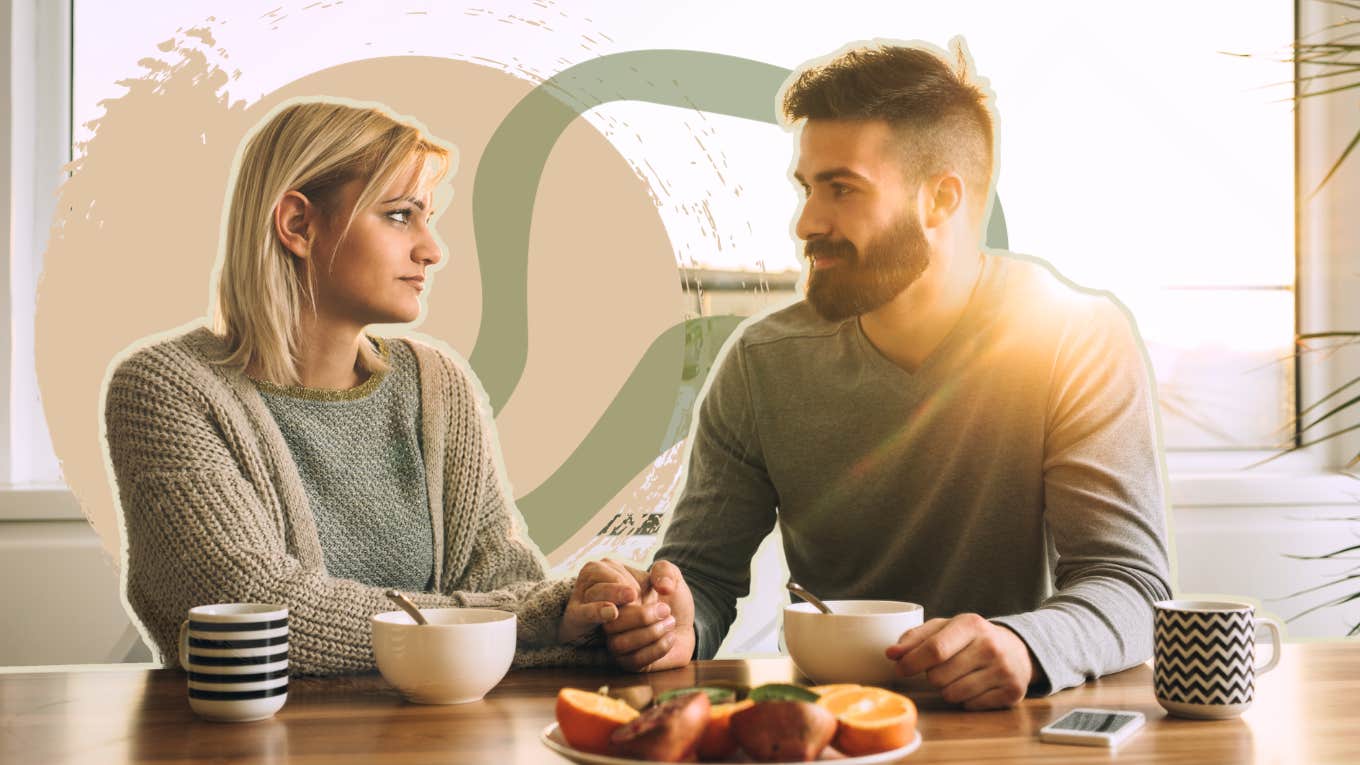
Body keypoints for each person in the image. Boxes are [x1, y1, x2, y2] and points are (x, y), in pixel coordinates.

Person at [654, 41, 1172, 709]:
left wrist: (1024, 643)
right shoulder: (762, 363)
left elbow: (1128, 580)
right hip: (827, 728)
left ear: (941, 198)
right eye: (807, 188)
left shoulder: (1072, 335)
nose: (806, 222)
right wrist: (670, 622)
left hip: (1006, 729)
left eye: (841, 188)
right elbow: (699, 576)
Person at [103, 100, 684, 675]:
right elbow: (257, 611)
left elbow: (504, 583)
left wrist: (607, 616)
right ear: (299, 225)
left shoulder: (436, 385)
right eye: (401, 215)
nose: (432, 250)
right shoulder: (166, 389)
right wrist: (537, 616)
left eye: (427, 219)